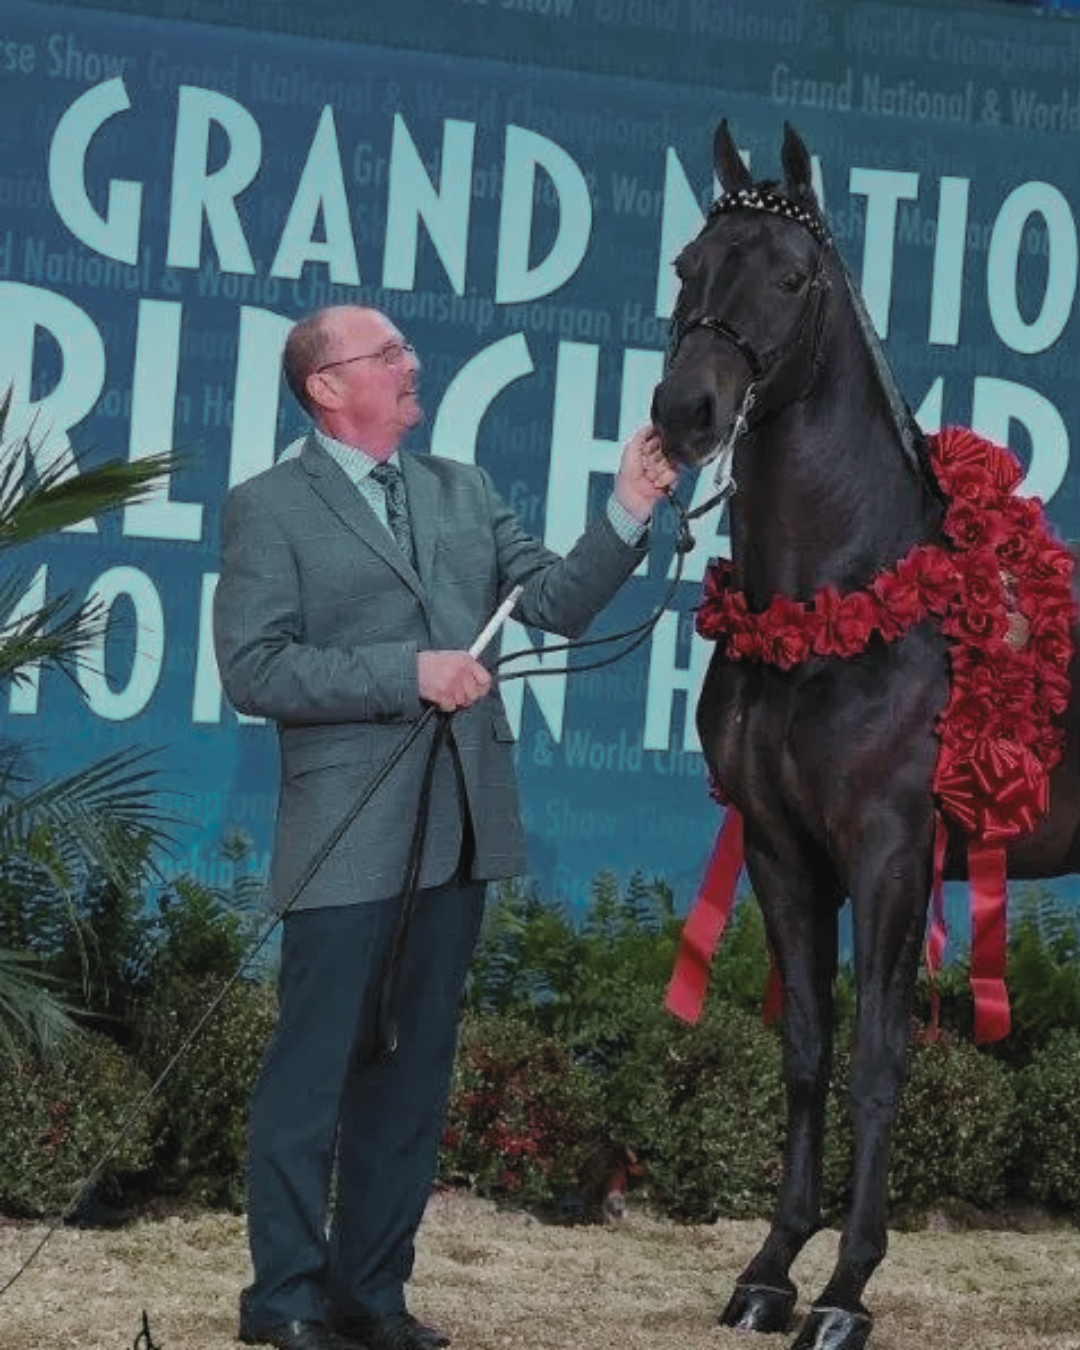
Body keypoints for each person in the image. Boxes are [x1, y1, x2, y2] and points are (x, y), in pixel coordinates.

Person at [213, 305, 676, 1350]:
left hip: (457, 828)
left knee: (411, 1078)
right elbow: (253, 668)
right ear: (326, 386)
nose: (410, 364)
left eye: (405, 350)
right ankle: (281, 1299)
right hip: (346, 831)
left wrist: (629, 506)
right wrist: (405, 673)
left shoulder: (460, 489)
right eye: (385, 354)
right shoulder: (268, 507)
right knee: (312, 1076)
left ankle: (371, 1296)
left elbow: (554, 601)